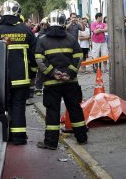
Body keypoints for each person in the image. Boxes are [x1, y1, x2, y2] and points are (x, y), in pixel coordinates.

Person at [35, 9, 88, 150]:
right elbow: (78, 57)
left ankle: (51, 143)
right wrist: (69, 73)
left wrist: (53, 73)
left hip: (52, 83)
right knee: (75, 109)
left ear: (49, 23)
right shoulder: (71, 39)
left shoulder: (42, 40)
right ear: (64, 23)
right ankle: (82, 138)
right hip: (70, 82)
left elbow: (40, 60)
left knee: (52, 112)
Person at [0, 0, 37, 145]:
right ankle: (19, 137)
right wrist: (33, 73)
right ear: (18, 12)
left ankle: (5, 136)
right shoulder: (25, 30)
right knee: (19, 106)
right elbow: (34, 55)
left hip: (1, 79)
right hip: (22, 77)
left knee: (3, 106)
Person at [34, 17, 49, 96]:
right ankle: (38, 88)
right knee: (41, 72)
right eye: (44, 24)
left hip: (48, 55)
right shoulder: (40, 34)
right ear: (41, 25)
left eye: (46, 24)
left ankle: (45, 87)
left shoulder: (49, 32)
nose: (45, 26)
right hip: (42, 55)